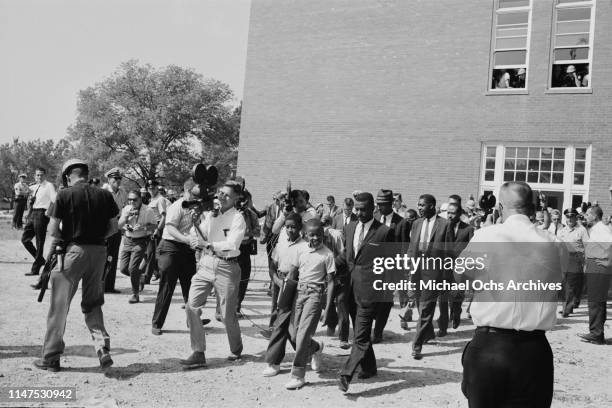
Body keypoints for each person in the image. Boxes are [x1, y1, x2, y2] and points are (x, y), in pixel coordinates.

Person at [456, 181, 564, 408]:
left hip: (491, 345)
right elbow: (560, 282)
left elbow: (460, 277)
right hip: (534, 349)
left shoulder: (486, 236)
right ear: (532, 207)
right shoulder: (554, 242)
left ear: (500, 206)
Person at [33, 159, 119, 372]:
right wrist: (96, 239)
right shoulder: (105, 194)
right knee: (93, 303)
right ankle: (102, 348)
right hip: (99, 253)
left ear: (68, 176)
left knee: (59, 307)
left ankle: (51, 357)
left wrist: (68, 240)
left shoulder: (64, 194)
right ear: (86, 174)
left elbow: (52, 230)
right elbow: (114, 227)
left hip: (73, 252)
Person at [179, 181, 246, 367]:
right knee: (191, 306)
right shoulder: (211, 214)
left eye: (227, 195)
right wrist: (195, 223)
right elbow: (198, 235)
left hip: (227, 266)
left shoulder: (238, 218)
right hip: (207, 263)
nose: (222, 197)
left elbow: (233, 245)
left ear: (235, 199)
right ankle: (198, 352)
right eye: (221, 193)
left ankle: (236, 349)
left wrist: (209, 245)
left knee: (226, 314)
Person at [337, 192, 394, 392]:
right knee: (360, 331)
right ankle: (369, 367)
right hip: (350, 290)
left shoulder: (384, 232)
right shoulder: (350, 227)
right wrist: (326, 266)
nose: (359, 213)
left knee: (360, 337)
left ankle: (346, 374)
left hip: (370, 293)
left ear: (373, 209)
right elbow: (346, 257)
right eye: (356, 209)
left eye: (363, 209)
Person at [272, 219, 334, 389]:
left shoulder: (327, 255)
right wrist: (283, 297)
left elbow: (330, 283)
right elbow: (292, 273)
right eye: (311, 235)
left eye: (319, 235)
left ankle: (298, 374)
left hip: (315, 295)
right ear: (305, 235)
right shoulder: (300, 250)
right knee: (293, 334)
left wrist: (328, 308)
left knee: (303, 335)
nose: (315, 238)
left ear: (323, 236)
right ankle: (315, 348)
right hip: (299, 293)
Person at [151, 178, 198, 335]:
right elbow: (170, 227)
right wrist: (186, 239)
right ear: (185, 191)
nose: (194, 196)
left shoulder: (197, 207)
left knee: (190, 288)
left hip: (188, 250)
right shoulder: (177, 206)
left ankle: (192, 321)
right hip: (171, 248)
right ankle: (156, 324)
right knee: (166, 287)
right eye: (192, 193)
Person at [262, 213, 308, 369]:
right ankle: (274, 361)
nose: (290, 230)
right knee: (281, 322)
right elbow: (272, 266)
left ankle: (274, 360)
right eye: (287, 227)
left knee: (290, 325)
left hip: (295, 284)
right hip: (280, 282)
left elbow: (300, 270)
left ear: (300, 228)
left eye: (293, 227)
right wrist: (276, 279)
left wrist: (288, 283)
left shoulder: (304, 246)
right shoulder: (280, 244)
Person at [407, 194, 450, 360]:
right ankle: (429, 333)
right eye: (418, 205)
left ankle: (416, 345)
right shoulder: (417, 223)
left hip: (434, 272)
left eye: (422, 205)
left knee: (425, 308)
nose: (419, 208)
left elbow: (448, 252)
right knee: (420, 304)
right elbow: (412, 247)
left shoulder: (444, 225)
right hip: (418, 269)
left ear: (432, 206)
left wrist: (446, 277)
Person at [437, 202, 473, 336]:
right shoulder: (441, 227)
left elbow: (471, 249)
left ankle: (456, 312)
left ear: (460, 214)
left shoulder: (468, 229)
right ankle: (442, 327)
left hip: (460, 269)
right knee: (442, 298)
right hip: (443, 268)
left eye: (453, 213)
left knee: (457, 296)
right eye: (449, 213)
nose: (450, 216)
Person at [578, 205, 612, 345]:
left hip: (599, 267)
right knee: (597, 301)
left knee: (596, 302)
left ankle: (596, 334)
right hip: (595, 266)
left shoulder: (600, 229)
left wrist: (609, 263)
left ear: (594, 216)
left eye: (587, 214)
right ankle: (597, 332)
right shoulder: (595, 229)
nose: (585, 217)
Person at [372, 189, 402, 343]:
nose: (379, 207)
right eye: (378, 204)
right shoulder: (374, 218)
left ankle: (377, 333)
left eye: (383, 204)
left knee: (385, 301)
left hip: (390, 270)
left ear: (391, 204)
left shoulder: (401, 222)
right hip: (372, 268)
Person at [118, 190, 157, 304]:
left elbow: (155, 226)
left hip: (141, 241)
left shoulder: (148, 210)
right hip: (128, 240)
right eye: (129, 199)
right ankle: (139, 277)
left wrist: (143, 227)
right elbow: (119, 225)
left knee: (132, 268)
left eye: (134, 199)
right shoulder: (126, 209)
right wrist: (126, 219)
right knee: (123, 269)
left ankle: (135, 294)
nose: (131, 202)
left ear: (140, 199)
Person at [320, 215, 349, 346]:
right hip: (324, 275)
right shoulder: (310, 235)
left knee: (341, 303)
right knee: (326, 301)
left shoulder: (335, 235)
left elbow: (344, 255)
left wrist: (334, 266)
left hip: (340, 273)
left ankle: (343, 337)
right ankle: (332, 322)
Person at [22, 167, 56, 276]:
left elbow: (54, 200)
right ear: (34, 176)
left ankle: (35, 269)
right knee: (25, 239)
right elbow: (24, 191)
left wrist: (48, 212)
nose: (39, 177)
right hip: (33, 213)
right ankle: (40, 259)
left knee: (39, 242)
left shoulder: (49, 186)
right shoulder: (34, 186)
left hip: (42, 213)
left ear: (45, 175)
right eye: (37, 175)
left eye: (41, 175)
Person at [558, 208, 589, 318]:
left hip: (576, 259)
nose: (570, 219)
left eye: (572, 216)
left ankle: (567, 308)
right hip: (563, 259)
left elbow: (587, 246)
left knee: (571, 285)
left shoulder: (582, 230)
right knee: (564, 284)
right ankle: (570, 305)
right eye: (568, 217)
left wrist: (586, 262)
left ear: (576, 217)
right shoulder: (562, 231)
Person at [102, 167, 127, 293]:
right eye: (114, 178)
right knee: (103, 255)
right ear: (109, 179)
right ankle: (100, 284)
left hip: (117, 224)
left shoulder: (122, 192)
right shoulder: (103, 191)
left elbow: (125, 208)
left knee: (113, 255)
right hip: (105, 224)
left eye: (119, 178)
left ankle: (109, 286)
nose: (117, 180)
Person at [236, 189, 261, 314]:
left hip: (245, 249)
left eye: (247, 201)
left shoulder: (252, 215)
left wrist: (247, 233)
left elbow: (257, 232)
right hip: (231, 250)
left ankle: (237, 306)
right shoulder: (229, 214)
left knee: (244, 278)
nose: (244, 203)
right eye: (241, 200)